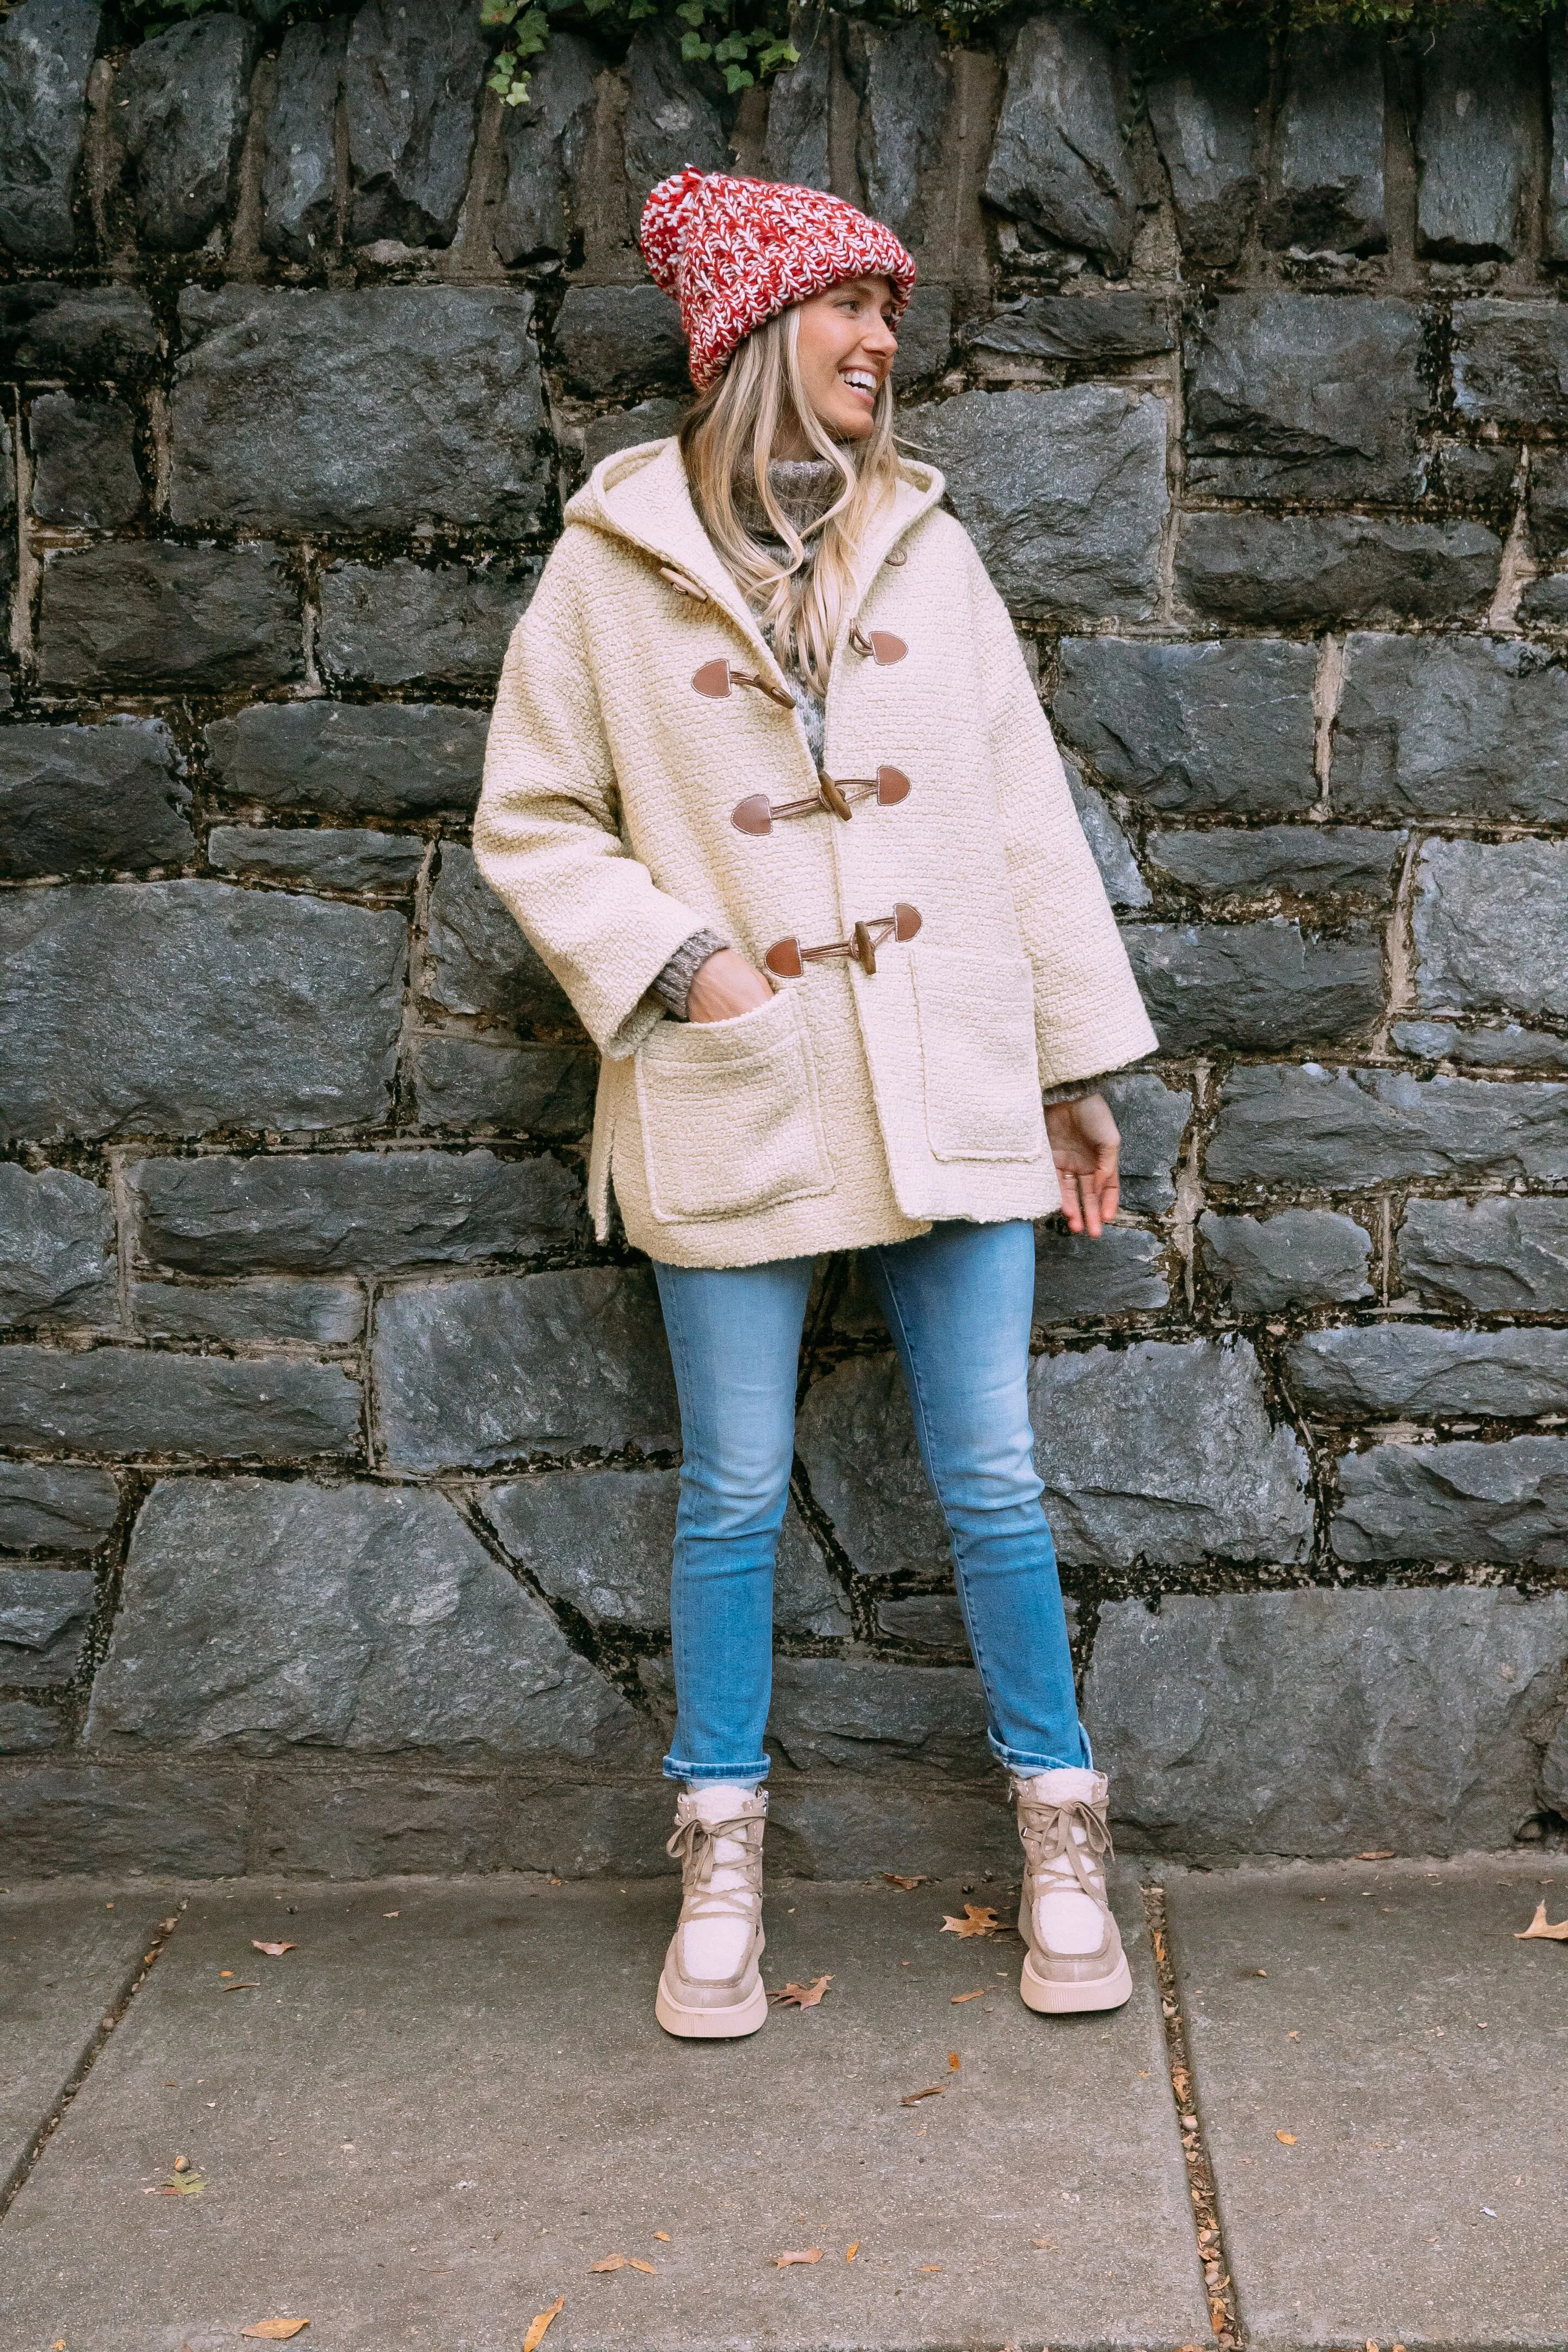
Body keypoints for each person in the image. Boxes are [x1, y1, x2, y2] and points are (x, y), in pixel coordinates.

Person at [474, 167, 1159, 2041]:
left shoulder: (927, 549)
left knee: (997, 1477)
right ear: (759, 334)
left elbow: (1022, 819)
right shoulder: (607, 568)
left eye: (892, 311)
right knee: (735, 1491)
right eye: (854, 307)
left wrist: (1078, 1072)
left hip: (950, 1076)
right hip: (736, 1083)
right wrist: (682, 960)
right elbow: (530, 819)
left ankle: (1061, 1831)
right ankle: (719, 1850)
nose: (886, 342)